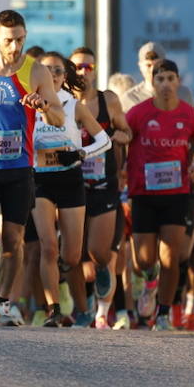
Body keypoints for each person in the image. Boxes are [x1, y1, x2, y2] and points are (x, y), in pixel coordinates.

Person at [0, 9, 64, 326]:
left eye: (21, 39)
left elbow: (59, 118)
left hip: (20, 168)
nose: (15, 46)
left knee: (13, 240)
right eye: (9, 40)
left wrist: (44, 106)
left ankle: (4, 303)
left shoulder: (36, 72)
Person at [124, 58, 194, 330]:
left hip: (176, 193)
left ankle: (162, 313)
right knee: (144, 260)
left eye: (170, 79)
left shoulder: (190, 116)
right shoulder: (138, 113)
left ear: (178, 82)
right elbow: (123, 138)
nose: (165, 84)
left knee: (171, 257)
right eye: (160, 79)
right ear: (153, 83)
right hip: (143, 193)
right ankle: (150, 281)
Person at [26, 52, 110, 326]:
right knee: (48, 247)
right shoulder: (29, 104)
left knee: (71, 256)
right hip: (40, 180)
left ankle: (61, 276)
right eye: (46, 70)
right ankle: (53, 309)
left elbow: (105, 141)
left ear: (65, 76)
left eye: (58, 71)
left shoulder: (74, 107)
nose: (52, 75)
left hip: (70, 179)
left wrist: (80, 154)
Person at [68, 47, 132, 327]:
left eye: (88, 67)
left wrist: (121, 135)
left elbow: (128, 131)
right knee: (71, 255)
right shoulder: (63, 102)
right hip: (72, 184)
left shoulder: (109, 100)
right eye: (78, 67)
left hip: (104, 182)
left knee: (99, 252)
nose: (83, 72)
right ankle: (83, 308)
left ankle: (105, 267)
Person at [122, 42, 193, 107]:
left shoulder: (183, 94)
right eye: (148, 65)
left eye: (156, 64)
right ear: (140, 66)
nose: (152, 69)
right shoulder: (130, 99)